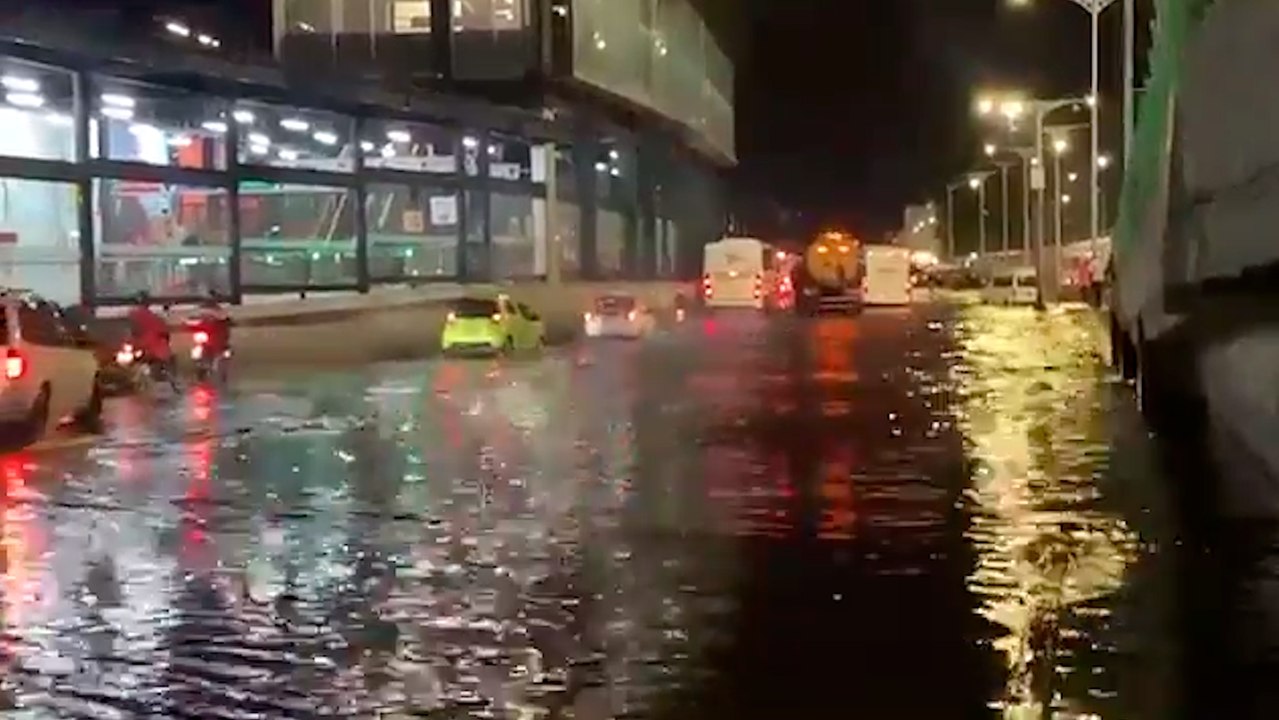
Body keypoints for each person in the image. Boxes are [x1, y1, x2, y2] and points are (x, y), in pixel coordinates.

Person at [127, 292, 176, 385]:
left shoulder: (133, 315)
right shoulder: (154, 317)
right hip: (152, 349)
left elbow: (131, 331)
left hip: (144, 349)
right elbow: (164, 331)